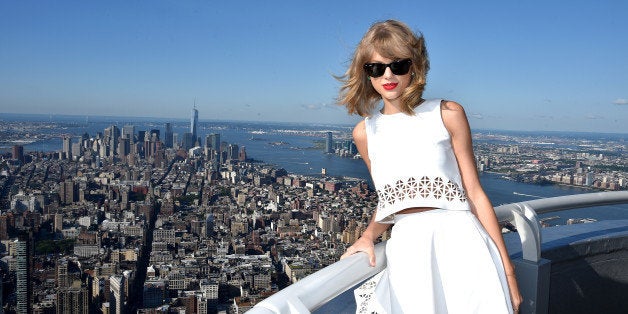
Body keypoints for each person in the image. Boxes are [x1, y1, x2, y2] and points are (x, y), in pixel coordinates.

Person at [338, 20, 523, 313]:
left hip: (462, 241)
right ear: (366, 74)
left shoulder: (447, 113)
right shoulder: (364, 133)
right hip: (409, 249)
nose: (388, 75)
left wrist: (509, 273)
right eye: (376, 68)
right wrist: (367, 236)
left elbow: (474, 194)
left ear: (415, 67)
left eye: (398, 65)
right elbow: (390, 201)